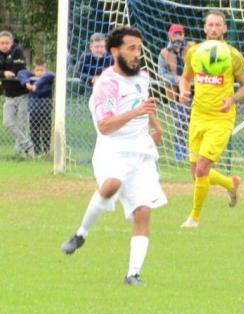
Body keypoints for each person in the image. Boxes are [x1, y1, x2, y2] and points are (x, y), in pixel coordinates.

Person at [60, 26, 167, 286]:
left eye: (139, 49)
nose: (136, 54)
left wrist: (156, 125)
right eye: (131, 48)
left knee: (143, 212)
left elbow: (143, 101)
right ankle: (81, 233)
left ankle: (133, 274)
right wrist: (138, 112)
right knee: (112, 184)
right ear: (114, 51)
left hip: (140, 152)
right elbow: (106, 127)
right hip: (113, 149)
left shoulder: (143, 77)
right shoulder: (106, 85)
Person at [179, 10, 244, 228]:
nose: (213, 28)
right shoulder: (194, 52)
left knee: (202, 169)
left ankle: (194, 218)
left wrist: (232, 99)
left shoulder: (233, 55)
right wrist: (183, 91)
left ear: (225, 28)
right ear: (204, 28)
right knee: (196, 173)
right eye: (210, 24)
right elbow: (185, 77)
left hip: (221, 118)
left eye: (218, 25)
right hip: (198, 115)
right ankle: (230, 183)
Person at [158, 23, 190, 161]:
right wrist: (177, 79)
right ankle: (180, 153)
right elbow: (162, 73)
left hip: (194, 91)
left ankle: (196, 151)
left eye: (180, 34)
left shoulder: (191, 48)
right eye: (175, 34)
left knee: (195, 122)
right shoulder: (164, 53)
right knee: (181, 122)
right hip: (175, 93)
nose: (178, 37)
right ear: (169, 35)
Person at [0, 30, 34, 156]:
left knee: (22, 124)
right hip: (8, 95)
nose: (4, 45)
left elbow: (18, 70)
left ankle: (20, 153)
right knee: (7, 123)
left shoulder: (18, 51)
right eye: (1, 43)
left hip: (22, 94)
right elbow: (7, 72)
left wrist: (5, 70)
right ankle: (28, 143)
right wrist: (4, 73)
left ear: (11, 42)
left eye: (6, 43)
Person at [18, 59, 55, 155]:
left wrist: (37, 85)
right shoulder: (31, 78)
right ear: (34, 70)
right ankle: (36, 151)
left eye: (42, 70)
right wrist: (26, 82)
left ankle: (46, 150)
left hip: (45, 109)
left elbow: (51, 74)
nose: (39, 72)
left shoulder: (48, 78)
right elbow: (21, 73)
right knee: (34, 130)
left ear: (45, 69)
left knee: (46, 130)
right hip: (34, 109)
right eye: (37, 70)